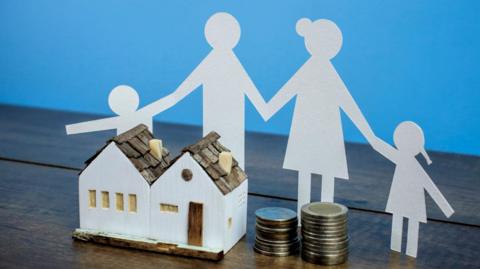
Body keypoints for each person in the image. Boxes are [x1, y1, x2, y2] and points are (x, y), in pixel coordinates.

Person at [260, 18, 376, 217]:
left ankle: (323, 219)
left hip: (323, 130)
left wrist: (267, 109)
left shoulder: (320, 72)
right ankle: (311, 218)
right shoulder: (314, 70)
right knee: (313, 172)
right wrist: (370, 135)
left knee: (320, 171)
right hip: (310, 130)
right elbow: (289, 91)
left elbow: (347, 103)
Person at [145, 12, 269, 169]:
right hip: (215, 123)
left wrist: (267, 109)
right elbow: (179, 93)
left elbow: (178, 94)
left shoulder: (228, 64)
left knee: (231, 164)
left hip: (232, 123)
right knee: (215, 161)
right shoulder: (215, 63)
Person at [371, 121, 454, 258]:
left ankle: (406, 249)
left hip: (412, 200)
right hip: (402, 198)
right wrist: (372, 138)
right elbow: (379, 146)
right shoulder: (405, 160)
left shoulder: (410, 163)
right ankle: (398, 247)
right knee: (400, 221)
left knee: (410, 224)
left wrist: (446, 208)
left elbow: (430, 186)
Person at [65, 85, 161, 135]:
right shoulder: (145, 113)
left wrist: (71, 129)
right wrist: (71, 129)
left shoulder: (144, 113)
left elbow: (171, 99)